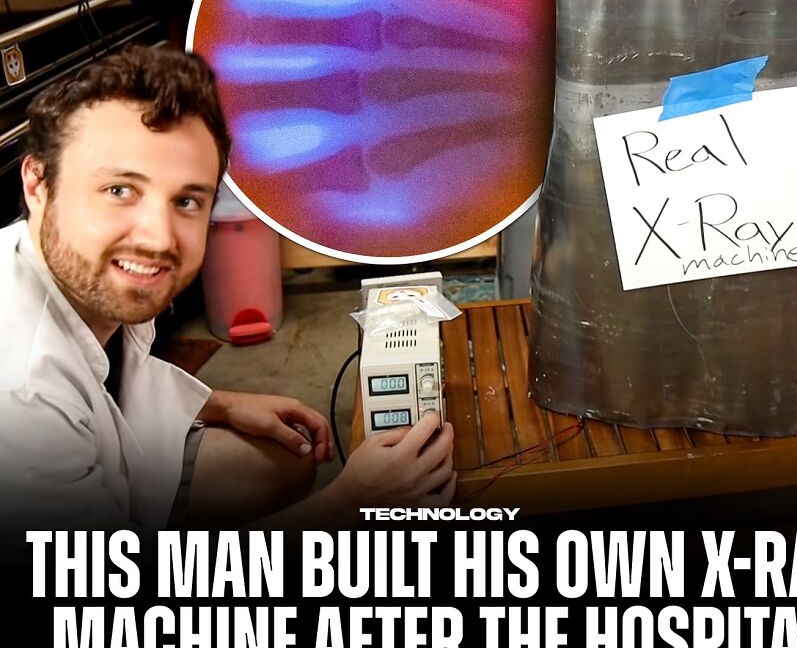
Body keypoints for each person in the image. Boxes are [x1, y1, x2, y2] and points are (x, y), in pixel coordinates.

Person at [0, 45, 456, 532]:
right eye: (119, 190)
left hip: (107, 454)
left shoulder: (89, 268)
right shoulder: (23, 394)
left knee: (286, 458)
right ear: (38, 183)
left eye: (187, 200)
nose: (158, 237)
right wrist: (349, 502)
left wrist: (220, 403)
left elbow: (113, 372)